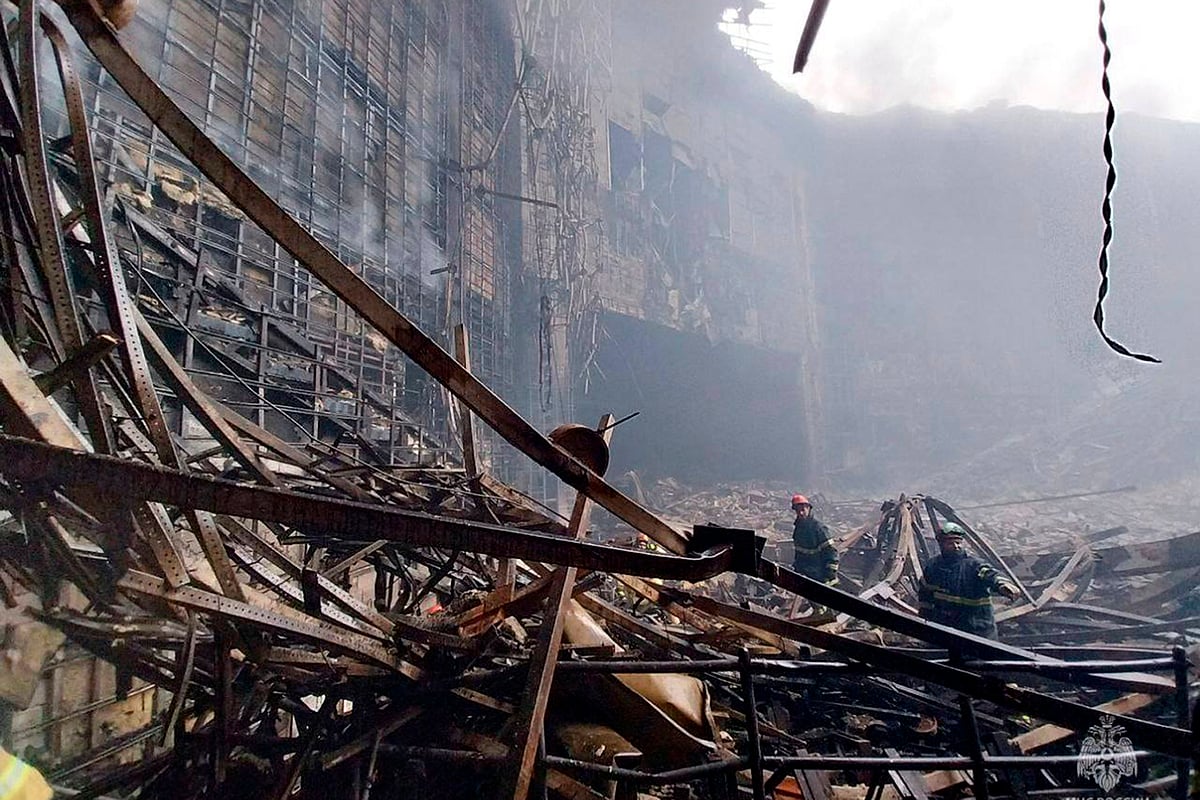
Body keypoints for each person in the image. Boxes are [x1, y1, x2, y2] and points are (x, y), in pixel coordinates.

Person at [918, 522, 1019, 641]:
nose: (956, 546)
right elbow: (925, 596)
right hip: (947, 631)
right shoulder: (932, 567)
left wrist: (1003, 585)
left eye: (959, 542)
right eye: (951, 543)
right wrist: (925, 622)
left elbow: (990, 574)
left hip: (978, 631)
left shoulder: (973, 565)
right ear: (941, 544)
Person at [789, 494, 838, 586]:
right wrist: (797, 568)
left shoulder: (818, 528)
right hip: (807, 573)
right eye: (798, 511)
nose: (801, 513)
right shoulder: (798, 528)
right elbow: (799, 553)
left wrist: (830, 575)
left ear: (808, 508)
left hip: (821, 575)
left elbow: (831, 552)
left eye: (803, 510)